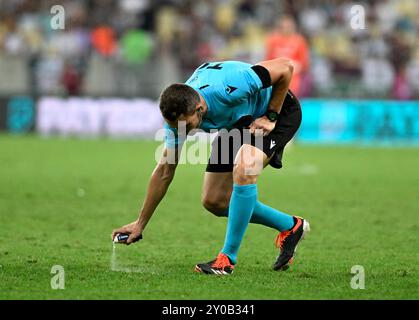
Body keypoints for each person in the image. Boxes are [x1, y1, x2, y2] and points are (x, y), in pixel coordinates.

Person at [112, 58, 310, 275]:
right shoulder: (178, 120)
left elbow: (285, 67)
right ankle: (291, 226)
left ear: (199, 108)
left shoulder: (230, 86)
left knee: (245, 168)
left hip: (276, 111)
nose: (182, 130)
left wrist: (271, 115)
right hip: (238, 122)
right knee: (214, 200)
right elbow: (164, 172)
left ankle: (226, 259)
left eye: (186, 126)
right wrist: (140, 223)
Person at [265, 15, 310, 97]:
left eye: (289, 26)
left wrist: (296, 66)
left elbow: (304, 64)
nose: (286, 29)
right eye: (284, 26)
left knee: (289, 100)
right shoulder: (273, 40)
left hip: (293, 78)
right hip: (276, 77)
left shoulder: (299, 41)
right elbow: (267, 60)